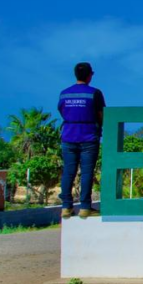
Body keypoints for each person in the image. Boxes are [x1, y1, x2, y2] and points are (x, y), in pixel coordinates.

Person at [57, 62, 106, 218]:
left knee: (68, 172)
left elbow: (62, 111)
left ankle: (66, 206)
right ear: (90, 75)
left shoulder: (64, 93)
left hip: (68, 136)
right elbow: (101, 116)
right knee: (86, 172)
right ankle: (85, 207)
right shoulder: (94, 93)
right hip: (88, 137)